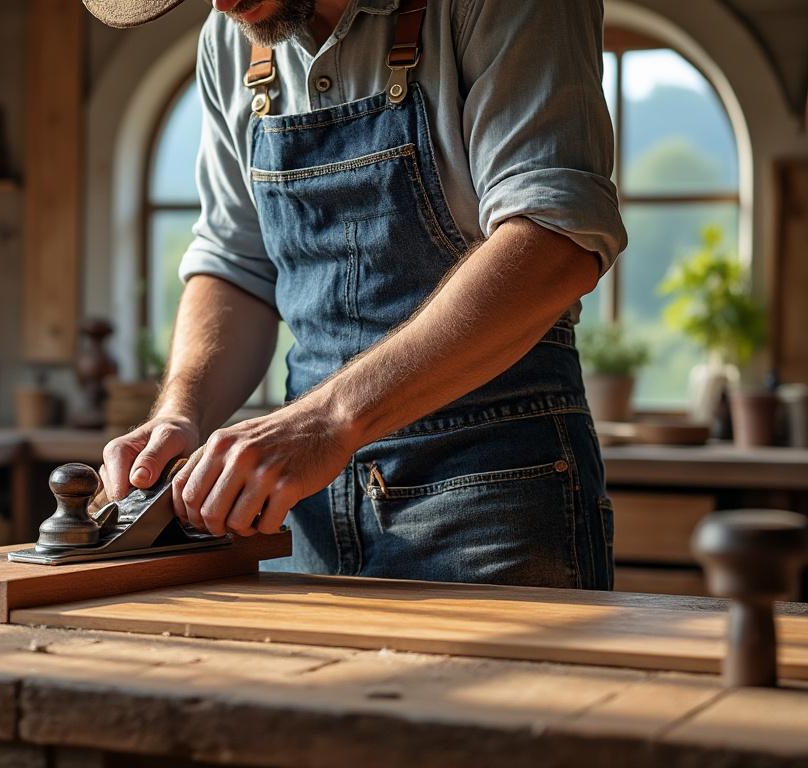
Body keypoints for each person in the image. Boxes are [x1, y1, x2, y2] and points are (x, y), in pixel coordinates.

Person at [86, 0, 626, 589]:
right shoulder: (232, 33)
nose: (221, 3)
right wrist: (181, 413)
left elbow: (554, 241)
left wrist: (328, 421)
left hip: (495, 486)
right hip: (304, 506)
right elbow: (236, 263)